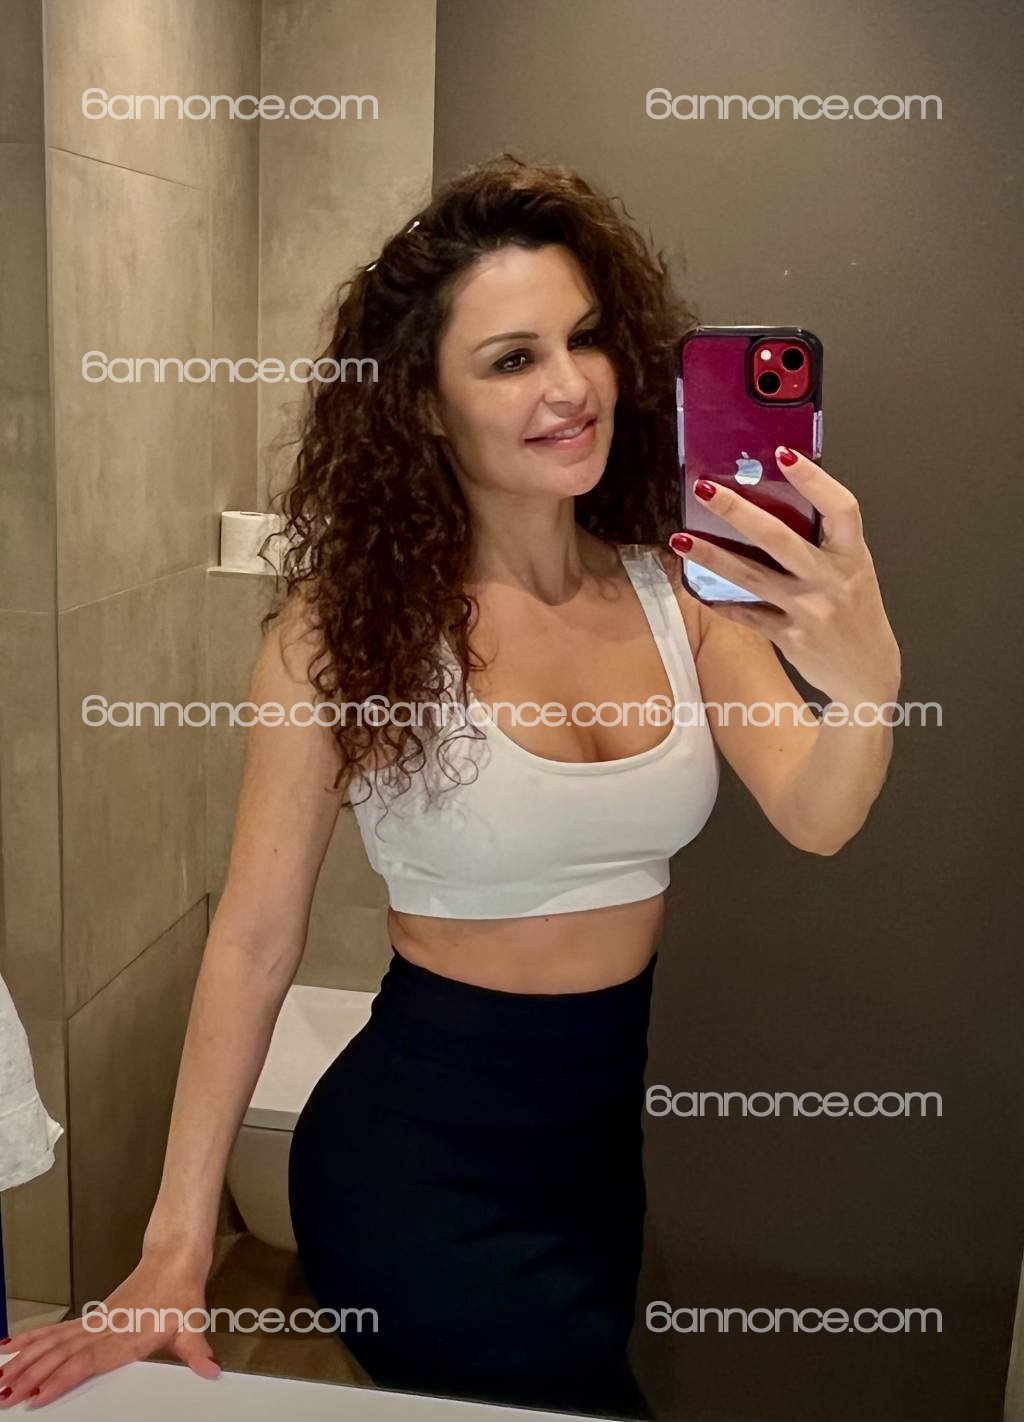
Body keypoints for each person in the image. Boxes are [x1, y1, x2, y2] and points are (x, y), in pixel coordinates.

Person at [0, 155, 900, 1418]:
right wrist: (174, 1249)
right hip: (414, 1169)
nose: (570, 385)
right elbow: (254, 941)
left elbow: (817, 814)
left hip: (593, 1163)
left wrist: (866, 680)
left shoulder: (682, 597)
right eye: (511, 358)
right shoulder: (343, 636)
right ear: (424, 406)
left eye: (585, 338)